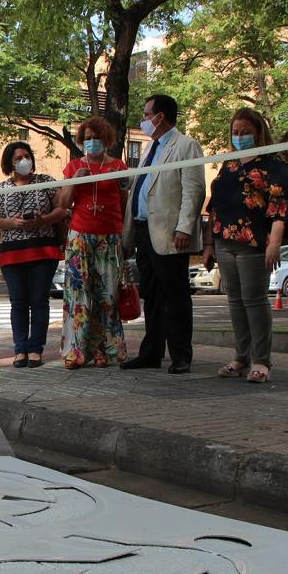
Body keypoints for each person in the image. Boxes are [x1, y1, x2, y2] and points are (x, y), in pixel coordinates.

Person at [201, 107, 288, 384]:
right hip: (223, 241)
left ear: (259, 133)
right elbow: (214, 207)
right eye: (235, 133)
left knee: (254, 301)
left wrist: (274, 243)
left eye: (246, 133)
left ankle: (262, 361)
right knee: (235, 301)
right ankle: (241, 357)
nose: (240, 137)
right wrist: (208, 244)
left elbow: (279, 209)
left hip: (254, 243)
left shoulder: (274, 165)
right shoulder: (229, 164)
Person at [121, 94, 206, 374]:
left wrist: (185, 226)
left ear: (161, 116)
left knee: (175, 296)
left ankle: (181, 354)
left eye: (146, 115)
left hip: (169, 234)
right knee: (153, 296)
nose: (143, 121)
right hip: (144, 231)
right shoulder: (151, 148)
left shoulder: (186, 145)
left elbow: (193, 190)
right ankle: (151, 352)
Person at [58, 116, 130, 369]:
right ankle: (75, 351)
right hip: (80, 235)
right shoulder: (74, 166)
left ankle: (105, 350)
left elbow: (124, 202)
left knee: (107, 295)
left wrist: (124, 236)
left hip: (110, 236)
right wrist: (75, 180)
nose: (92, 143)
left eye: (96, 138)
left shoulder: (119, 166)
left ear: (106, 140)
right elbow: (63, 203)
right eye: (87, 138)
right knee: (79, 294)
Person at [0, 142, 65, 368]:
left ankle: (35, 349)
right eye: (18, 157)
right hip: (12, 253)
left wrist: (44, 220)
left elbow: (62, 209)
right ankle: (20, 349)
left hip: (43, 250)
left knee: (39, 300)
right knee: (18, 302)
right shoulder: (0, 188)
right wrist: (12, 222)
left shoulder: (47, 182)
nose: (23, 160)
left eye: (27, 156)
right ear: (9, 162)